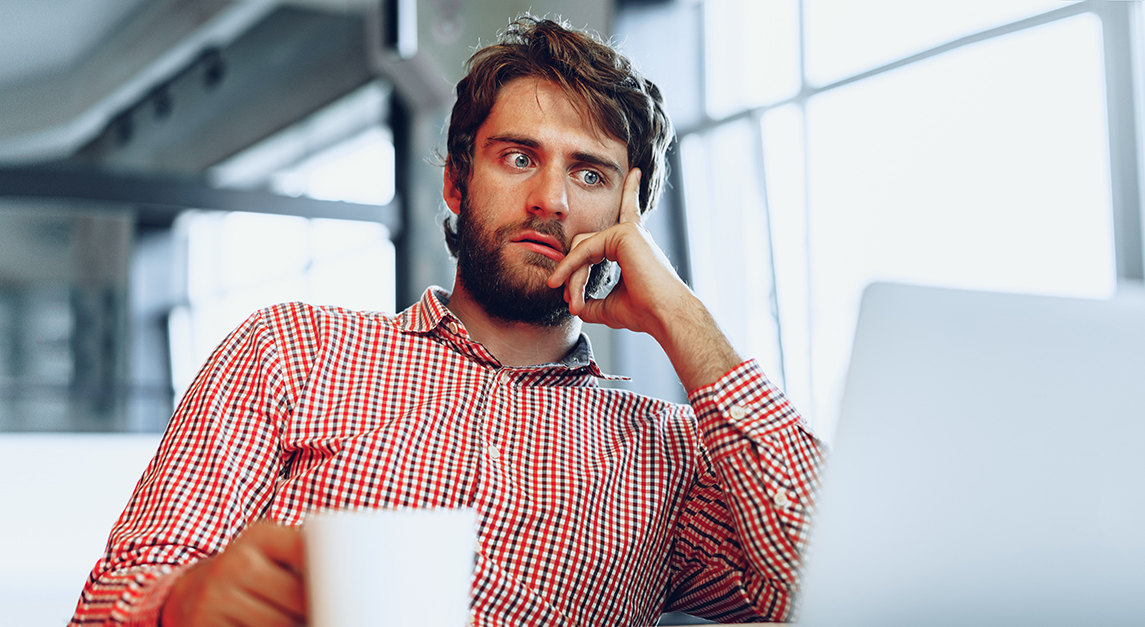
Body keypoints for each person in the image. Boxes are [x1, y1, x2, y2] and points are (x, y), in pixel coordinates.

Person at [70, 15, 824, 627]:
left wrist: (682, 317)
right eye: (519, 157)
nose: (552, 202)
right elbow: (110, 601)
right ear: (457, 181)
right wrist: (177, 607)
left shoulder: (671, 459)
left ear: (628, 215)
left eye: (588, 173)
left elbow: (836, 581)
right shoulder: (291, 351)